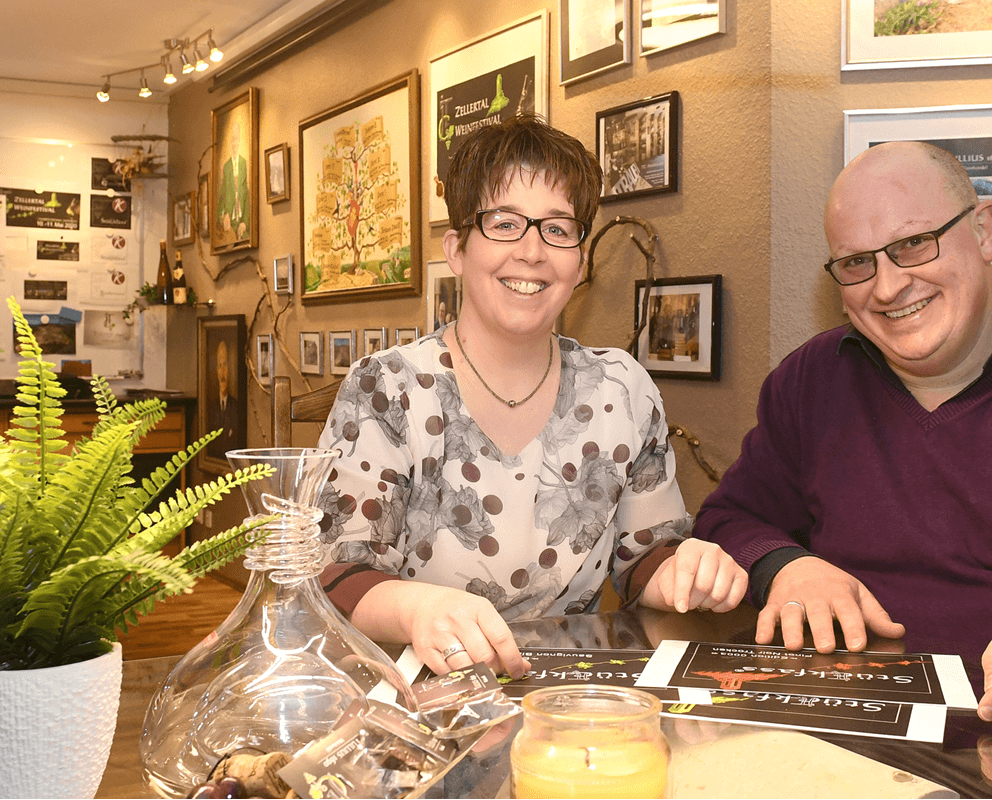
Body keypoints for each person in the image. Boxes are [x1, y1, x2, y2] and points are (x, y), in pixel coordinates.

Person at [694, 140, 992, 742]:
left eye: (911, 245)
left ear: (985, 231)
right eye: (856, 263)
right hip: (838, 738)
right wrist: (787, 566)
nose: (886, 287)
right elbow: (730, 519)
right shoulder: (810, 380)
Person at [317, 114, 747, 679]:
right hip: (413, 694)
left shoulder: (623, 389)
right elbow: (339, 575)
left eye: (558, 229)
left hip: (568, 700)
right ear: (457, 249)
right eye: (504, 223)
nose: (532, 250)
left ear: (581, 259)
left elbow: (644, 559)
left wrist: (689, 571)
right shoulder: (387, 388)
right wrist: (422, 608)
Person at [216, 115, 249, 243]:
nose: (234, 143)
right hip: (231, 223)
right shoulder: (227, 166)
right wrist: (224, 216)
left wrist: (245, 222)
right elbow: (222, 198)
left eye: (237, 139)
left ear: (240, 141)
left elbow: (246, 195)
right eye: (232, 140)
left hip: (242, 220)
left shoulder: (243, 163)